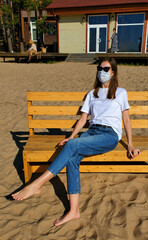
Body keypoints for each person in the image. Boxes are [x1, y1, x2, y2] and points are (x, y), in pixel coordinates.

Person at [12, 57, 140, 226]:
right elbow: (82, 120)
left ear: (113, 72)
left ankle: (37, 184)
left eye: (106, 69)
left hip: (109, 136)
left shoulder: (121, 92)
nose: (102, 72)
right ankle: (74, 211)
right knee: (72, 158)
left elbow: (126, 119)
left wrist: (130, 143)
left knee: (72, 146)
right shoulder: (92, 94)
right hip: (92, 132)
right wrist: (71, 136)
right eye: (99, 69)